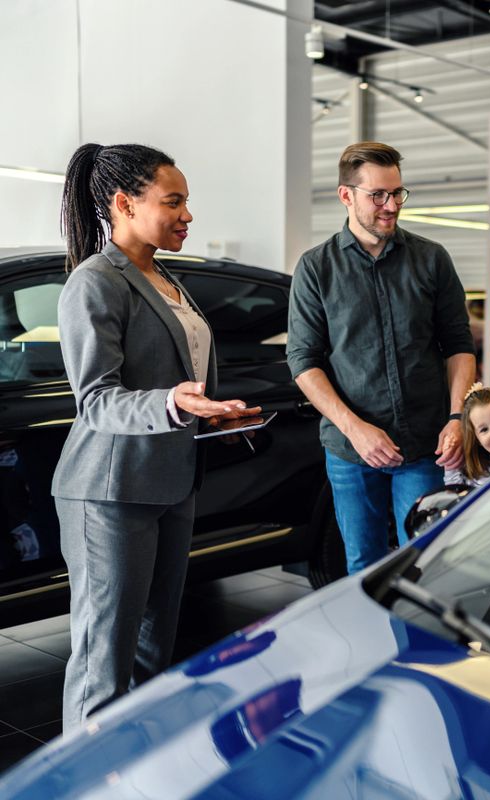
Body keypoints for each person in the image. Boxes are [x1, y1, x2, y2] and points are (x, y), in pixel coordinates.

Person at [53, 143, 259, 731]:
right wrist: (171, 403)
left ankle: (140, 764)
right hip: (110, 491)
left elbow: (178, 371)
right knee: (103, 659)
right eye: (173, 202)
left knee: (152, 650)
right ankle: (85, 772)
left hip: (170, 482)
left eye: (186, 202)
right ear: (124, 204)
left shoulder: (163, 277)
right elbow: (97, 399)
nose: (187, 215)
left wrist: (212, 417)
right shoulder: (95, 282)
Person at [287, 141, 476, 574]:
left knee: (426, 564)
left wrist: (456, 417)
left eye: (397, 193)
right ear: (346, 195)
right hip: (352, 450)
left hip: (424, 443)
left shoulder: (431, 259)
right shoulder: (316, 268)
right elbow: (303, 360)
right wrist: (356, 430)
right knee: (363, 565)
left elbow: (458, 345)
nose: (391, 206)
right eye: (377, 196)